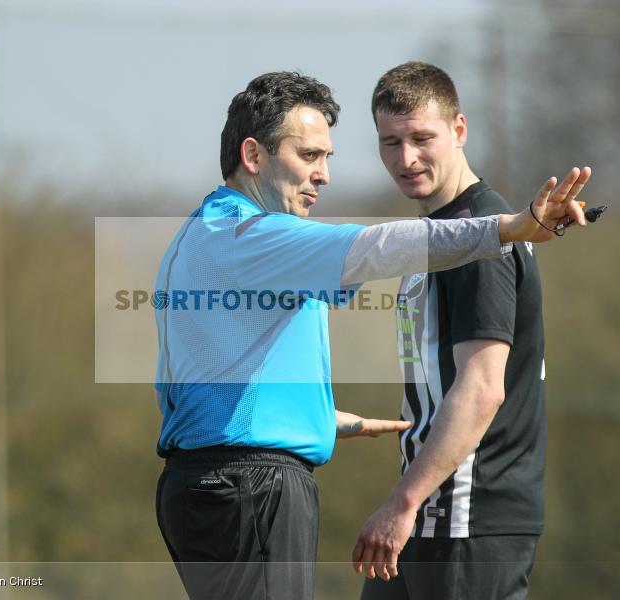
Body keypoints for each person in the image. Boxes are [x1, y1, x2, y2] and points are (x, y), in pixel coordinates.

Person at [153, 71, 590, 600]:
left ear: (459, 129)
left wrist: (319, 416)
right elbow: (374, 248)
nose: (325, 175)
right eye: (310, 155)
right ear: (253, 155)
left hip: (207, 487)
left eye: (328, 157)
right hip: (251, 486)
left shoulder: (198, 234)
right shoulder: (256, 236)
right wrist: (505, 228)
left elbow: (205, 373)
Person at [353, 62, 589, 599]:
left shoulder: (483, 239)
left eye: (421, 138)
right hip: (428, 514)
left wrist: (402, 503)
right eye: (390, 142)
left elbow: (482, 389)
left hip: (469, 517)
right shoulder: (439, 236)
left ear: (459, 130)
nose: (405, 158)